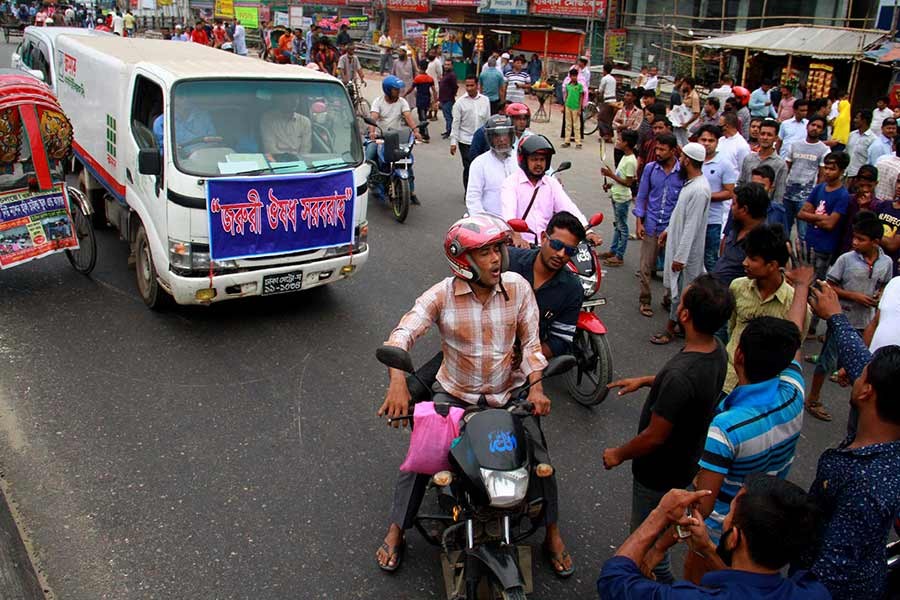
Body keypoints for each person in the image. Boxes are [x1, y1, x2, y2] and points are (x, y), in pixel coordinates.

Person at [374, 215, 569, 576]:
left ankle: (553, 534)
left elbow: (530, 345)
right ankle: (396, 530)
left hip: (507, 396)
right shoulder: (441, 294)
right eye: (484, 253)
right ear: (462, 260)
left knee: (541, 462)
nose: (496, 259)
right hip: (454, 396)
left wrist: (537, 387)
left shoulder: (518, 288)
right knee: (420, 461)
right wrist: (397, 381)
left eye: (497, 250)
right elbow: (401, 336)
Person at [601, 275, 732, 583]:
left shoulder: (679, 375)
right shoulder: (716, 350)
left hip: (657, 473)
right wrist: (648, 381)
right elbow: (687, 388)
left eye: (681, 299)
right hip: (686, 462)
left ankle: (651, 585)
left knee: (646, 538)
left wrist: (618, 454)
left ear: (684, 315)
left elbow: (654, 436)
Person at [799, 280, 900, 600]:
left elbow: (829, 578)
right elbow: (859, 359)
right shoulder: (886, 440)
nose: (856, 371)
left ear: (867, 390)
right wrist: (836, 316)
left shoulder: (867, 485)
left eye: (864, 373)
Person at [598, 477, 830, 599]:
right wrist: (708, 549)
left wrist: (660, 514)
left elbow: (613, 580)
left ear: (734, 538)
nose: (727, 519)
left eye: (730, 514)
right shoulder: (814, 592)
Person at [805, 212, 893, 421]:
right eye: (854, 237)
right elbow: (829, 286)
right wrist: (853, 296)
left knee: (860, 365)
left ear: (875, 242)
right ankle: (813, 398)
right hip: (840, 317)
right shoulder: (846, 259)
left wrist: (879, 294)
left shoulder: (886, 262)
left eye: (861, 239)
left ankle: (859, 404)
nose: (855, 242)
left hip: (865, 322)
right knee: (827, 361)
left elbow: (884, 285)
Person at [721, 224, 811, 394]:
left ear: (772, 265)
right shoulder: (737, 287)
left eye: (753, 259)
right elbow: (731, 328)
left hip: (763, 390)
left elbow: (793, 346)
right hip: (727, 378)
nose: (745, 262)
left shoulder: (795, 305)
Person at [650, 143, 712, 345]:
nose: (680, 161)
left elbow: (692, 226)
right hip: (678, 246)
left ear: (688, 161)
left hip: (686, 253)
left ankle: (670, 330)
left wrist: (681, 257)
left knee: (681, 293)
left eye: (683, 158)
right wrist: (668, 230)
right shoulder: (691, 184)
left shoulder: (700, 190)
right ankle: (682, 326)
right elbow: (679, 214)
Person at [507, 211, 586, 360]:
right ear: (544, 238)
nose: (561, 254)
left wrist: (525, 358)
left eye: (570, 251)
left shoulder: (573, 289)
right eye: (557, 245)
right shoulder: (508, 260)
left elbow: (561, 339)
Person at [500, 135, 599, 247]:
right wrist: (516, 236)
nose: (539, 164)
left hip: (548, 246)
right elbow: (509, 215)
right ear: (524, 160)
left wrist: (587, 231)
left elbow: (569, 208)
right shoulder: (511, 183)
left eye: (542, 160)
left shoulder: (551, 183)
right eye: (534, 159)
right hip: (522, 247)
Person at [797, 151, 851, 329]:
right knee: (801, 282)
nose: (827, 172)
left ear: (841, 171)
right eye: (826, 168)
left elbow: (830, 224)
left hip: (824, 247)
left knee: (815, 286)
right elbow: (801, 213)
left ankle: (811, 324)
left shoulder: (842, 195)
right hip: (808, 242)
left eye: (832, 168)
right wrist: (820, 218)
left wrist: (813, 217)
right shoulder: (819, 188)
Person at [634, 133, 683, 319]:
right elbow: (642, 196)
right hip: (652, 224)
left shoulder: (682, 172)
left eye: (662, 149)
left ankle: (669, 298)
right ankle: (645, 300)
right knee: (646, 266)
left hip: (672, 227)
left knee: (672, 267)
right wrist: (639, 222)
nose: (658, 153)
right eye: (657, 149)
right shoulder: (650, 169)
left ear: (673, 150)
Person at [712, 183, 771, 286]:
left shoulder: (764, 240)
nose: (731, 207)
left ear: (744, 210)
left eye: (734, 204)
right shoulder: (735, 224)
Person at [783, 115, 829, 240]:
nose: (815, 128)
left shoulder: (824, 150)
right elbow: (786, 168)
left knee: (803, 233)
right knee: (784, 230)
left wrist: (816, 196)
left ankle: (803, 253)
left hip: (807, 197)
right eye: (813, 125)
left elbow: (822, 176)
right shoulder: (795, 145)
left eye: (819, 127)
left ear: (822, 130)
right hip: (788, 194)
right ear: (807, 126)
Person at [600, 130, 638, 267]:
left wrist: (610, 175)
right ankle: (613, 251)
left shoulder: (631, 161)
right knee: (618, 225)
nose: (617, 142)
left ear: (626, 143)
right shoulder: (625, 157)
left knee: (622, 227)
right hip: (617, 195)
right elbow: (621, 179)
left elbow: (628, 183)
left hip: (622, 198)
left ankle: (619, 255)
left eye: (620, 140)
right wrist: (610, 185)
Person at [465, 115, 516, 217]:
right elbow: (473, 198)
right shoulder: (479, 163)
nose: (501, 140)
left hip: (519, 221)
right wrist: (484, 221)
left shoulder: (521, 159)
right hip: (490, 220)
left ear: (511, 136)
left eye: (505, 134)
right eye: (497, 136)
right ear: (490, 138)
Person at [450, 76, 490, 190]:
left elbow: (488, 121)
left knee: (483, 167)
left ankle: (481, 190)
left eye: (472, 85)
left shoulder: (485, 100)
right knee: (469, 167)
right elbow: (456, 123)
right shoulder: (460, 103)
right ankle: (469, 192)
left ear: (477, 85)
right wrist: (453, 142)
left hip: (482, 140)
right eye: (467, 85)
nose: (469, 88)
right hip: (465, 140)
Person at [738, 119, 787, 211]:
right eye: (762, 134)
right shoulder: (749, 159)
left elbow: (779, 194)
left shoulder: (780, 164)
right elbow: (741, 182)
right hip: (745, 209)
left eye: (769, 135)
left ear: (776, 138)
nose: (765, 137)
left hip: (766, 210)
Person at [874, 175, 900, 275]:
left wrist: (872, 234)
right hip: (870, 261)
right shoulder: (885, 205)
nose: (899, 186)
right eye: (898, 181)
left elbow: (892, 245)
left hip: (890, 267)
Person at [717, 112, 750, 177]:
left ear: (727, 126)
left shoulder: (742, 145)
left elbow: (743, 170)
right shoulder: (720, 140)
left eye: (720, 125)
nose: (718, 127)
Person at [410, 62, 435, 142]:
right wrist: (435, 100)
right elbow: (434, 90)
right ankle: (422, 132)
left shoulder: (418, 78)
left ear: (420, 67)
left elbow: (411, 88)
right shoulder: (430, 78)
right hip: (427, 98)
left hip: (420, 98)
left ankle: (425, 134)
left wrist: (405, 94)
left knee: (422, 116)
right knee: (423, 114)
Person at [847, 110, 876, 178]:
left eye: (857, 118)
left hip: (859, 176)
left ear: (864, 120)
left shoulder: (872, 139)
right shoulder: (852, 135)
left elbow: (871, 160)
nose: (854, 120)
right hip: (846, 173)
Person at [561, 68, 584, 149]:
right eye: (572, 76)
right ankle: (567, 141)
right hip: (568, 106)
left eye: (575, 76)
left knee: (576, 125)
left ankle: (578, 142)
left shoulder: (580, 86)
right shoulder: (568, 86)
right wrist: (564, 106)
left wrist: (580, 108)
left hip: (576, 107)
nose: (574, 77)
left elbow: (581, 98)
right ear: (570, 76)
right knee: (568, 124)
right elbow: (566, 96)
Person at [438, 58, 457, 140]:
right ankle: (448, 130)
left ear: (452, 66)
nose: (446, 66)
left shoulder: (452, 75)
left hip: (448, 99)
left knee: (448, 116)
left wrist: (451, 95)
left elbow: (455, 87)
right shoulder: (446, 74)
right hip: (443, 99)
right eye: (445, 64)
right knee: (446, 116)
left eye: (448, 65)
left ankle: (449, 132)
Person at [597, 62, 617, 139]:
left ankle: (606, 134)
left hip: (607, 101)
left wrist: (596, 92)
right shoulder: (613, 79)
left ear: (604, 70)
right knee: (609, 118)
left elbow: (600, 90)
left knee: (601, 118)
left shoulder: (605, 78)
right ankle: (610, 135)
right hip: (614, 100)